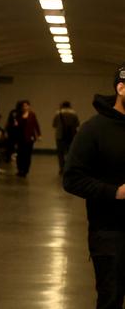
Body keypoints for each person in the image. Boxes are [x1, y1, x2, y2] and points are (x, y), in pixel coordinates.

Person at [63, 66, 125, 309]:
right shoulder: (94, 129)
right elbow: (72, 178)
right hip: (110, 232)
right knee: (111, 297)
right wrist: (115, 192)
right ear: (120, 88)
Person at [52, 101, 80, 174]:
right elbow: (77, 124)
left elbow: (54, 125)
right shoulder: (74, 113)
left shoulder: (58, 113)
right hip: (71, 136)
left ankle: (62, 168)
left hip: (60, 136)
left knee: (60, 153)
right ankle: (69, 168)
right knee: (70, 153)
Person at [15, 100, 41, 177]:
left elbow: (36, 125)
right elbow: (16, 126)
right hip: (20, 137)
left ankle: (25, 170)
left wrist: (39, 135)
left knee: (27, 155)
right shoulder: (18, 115)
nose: (25, 107)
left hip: (29, 138)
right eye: (24, 106)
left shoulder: (32, 115)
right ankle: (20, 169)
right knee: (20, 155)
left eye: (27, 105)